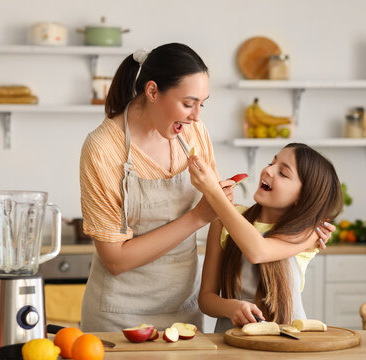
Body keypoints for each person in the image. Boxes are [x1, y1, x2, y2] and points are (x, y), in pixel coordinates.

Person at [78, 43, 237, 332]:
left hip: (184, 313)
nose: (197, 116)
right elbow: (114, 259)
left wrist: (295, 229)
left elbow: (219, 212)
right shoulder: (103, 148)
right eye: (188, 104)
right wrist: (199, 216)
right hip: (118, 319)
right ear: (152, 92)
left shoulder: (194, 134)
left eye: (202, 104)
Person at [188, 143, 342, 332]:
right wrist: (231, 308)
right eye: (271, 162)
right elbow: (206, 299)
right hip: (233, 344)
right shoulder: (223, 221)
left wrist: (213, 193)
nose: (268, 170)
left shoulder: (308, 233)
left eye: (283, 173)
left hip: (288, 344)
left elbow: (258, 251)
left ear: (302, 198)